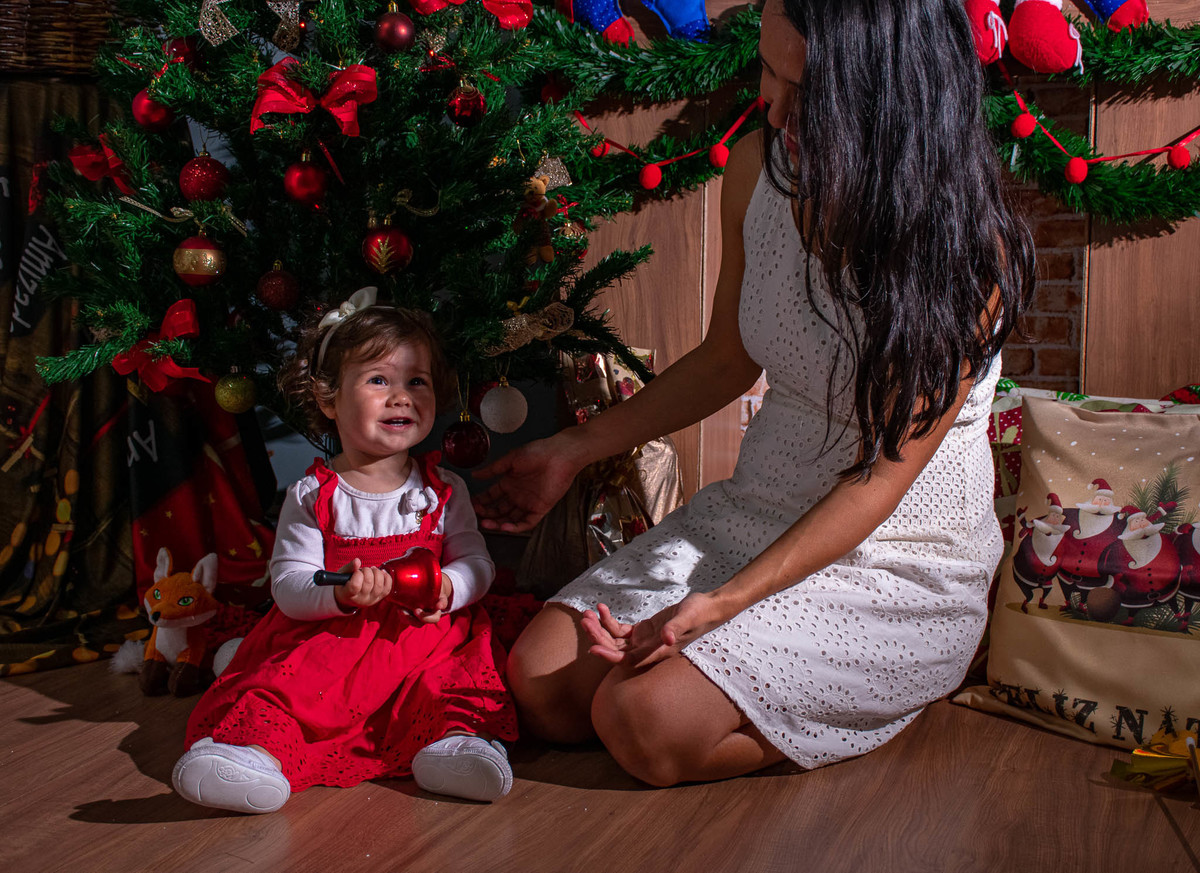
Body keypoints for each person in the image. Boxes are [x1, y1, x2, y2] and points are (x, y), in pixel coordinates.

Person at [472, 0, 1034, 787]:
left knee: (640, 721)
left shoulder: (970, 253)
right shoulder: (759, 168)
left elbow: (880, 478)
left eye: (798, 87)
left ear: (880, 99)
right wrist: (574, 448)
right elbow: (725, 360)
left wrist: (722, 606)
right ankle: (731, 690)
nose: (769, 103)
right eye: (766, 71)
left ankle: (897, 681)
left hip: (895, 560)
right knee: (542, 684)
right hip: (755, 510)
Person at [173, 288, 518, 813]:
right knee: (285, 692)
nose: (401, 396)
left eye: (416, 381)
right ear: (328, 399)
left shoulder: (441, 489)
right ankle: (250, 755)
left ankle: (453, 746)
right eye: (379, 380)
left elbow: (476, 560)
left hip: (423, 636)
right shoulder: (313, 495)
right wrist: (342, 596)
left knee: (448, 683)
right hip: (332, 639)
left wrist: (451, 589)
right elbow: (289, 584)